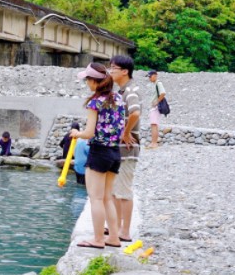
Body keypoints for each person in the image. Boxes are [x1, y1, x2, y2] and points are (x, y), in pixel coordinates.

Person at [69, 63, 126, 249]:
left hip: (99, 152)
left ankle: (99, 239)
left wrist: (77, 134)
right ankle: (114, 237)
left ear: (95, 82)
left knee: (95, 198)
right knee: (108, 197)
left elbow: (89, 132)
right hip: (115, 152)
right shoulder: (118, 98)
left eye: (88, 80)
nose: (87, 83)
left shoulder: (95, 102)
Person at [110, 55, 141, 242]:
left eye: (114, 68)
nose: (110, 71)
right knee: (115, 190)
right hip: (120, 148)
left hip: (128, 148)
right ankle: (117, 227)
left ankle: (125, 231)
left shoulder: (130, 91)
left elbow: (135, 112)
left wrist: (125, 131)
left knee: (124, 190)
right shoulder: (121, 91)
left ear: (124, 71)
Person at [148, 70, 167, 148]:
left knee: (154, 124)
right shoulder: (155, 84)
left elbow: (163, 93)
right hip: (153, 107)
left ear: (155, 75)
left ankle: (154, 143)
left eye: (150, 76)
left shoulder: (158, 83)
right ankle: (153, 142)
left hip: (155, 107)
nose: (149, 78)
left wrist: (157, 102)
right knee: (153, 124)